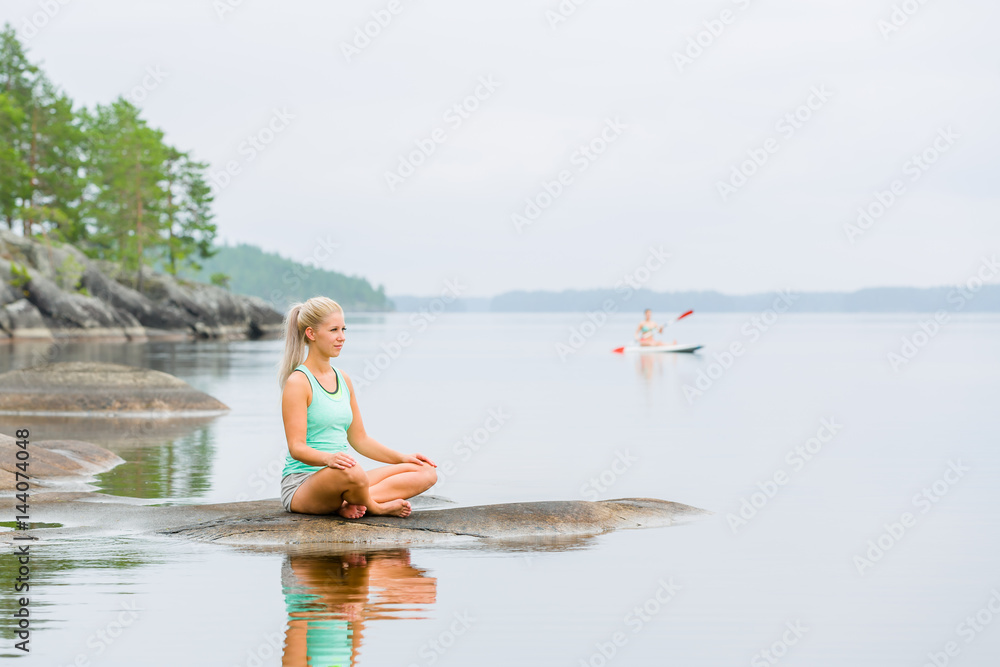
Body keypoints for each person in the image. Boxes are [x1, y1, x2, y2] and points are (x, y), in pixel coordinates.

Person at [278, 296, 437, 518]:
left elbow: (360, 439)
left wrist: (403, 458)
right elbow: (297, 448)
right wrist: (328, 459)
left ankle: (353, 502)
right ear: (311, 334)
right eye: (333, 330)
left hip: (345, 475)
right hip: (303, 484)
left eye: (343, 329)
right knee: (352, 471)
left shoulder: (343, 379)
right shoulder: (298, 382)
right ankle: (376, 506)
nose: (341, 337)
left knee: (426, 471)